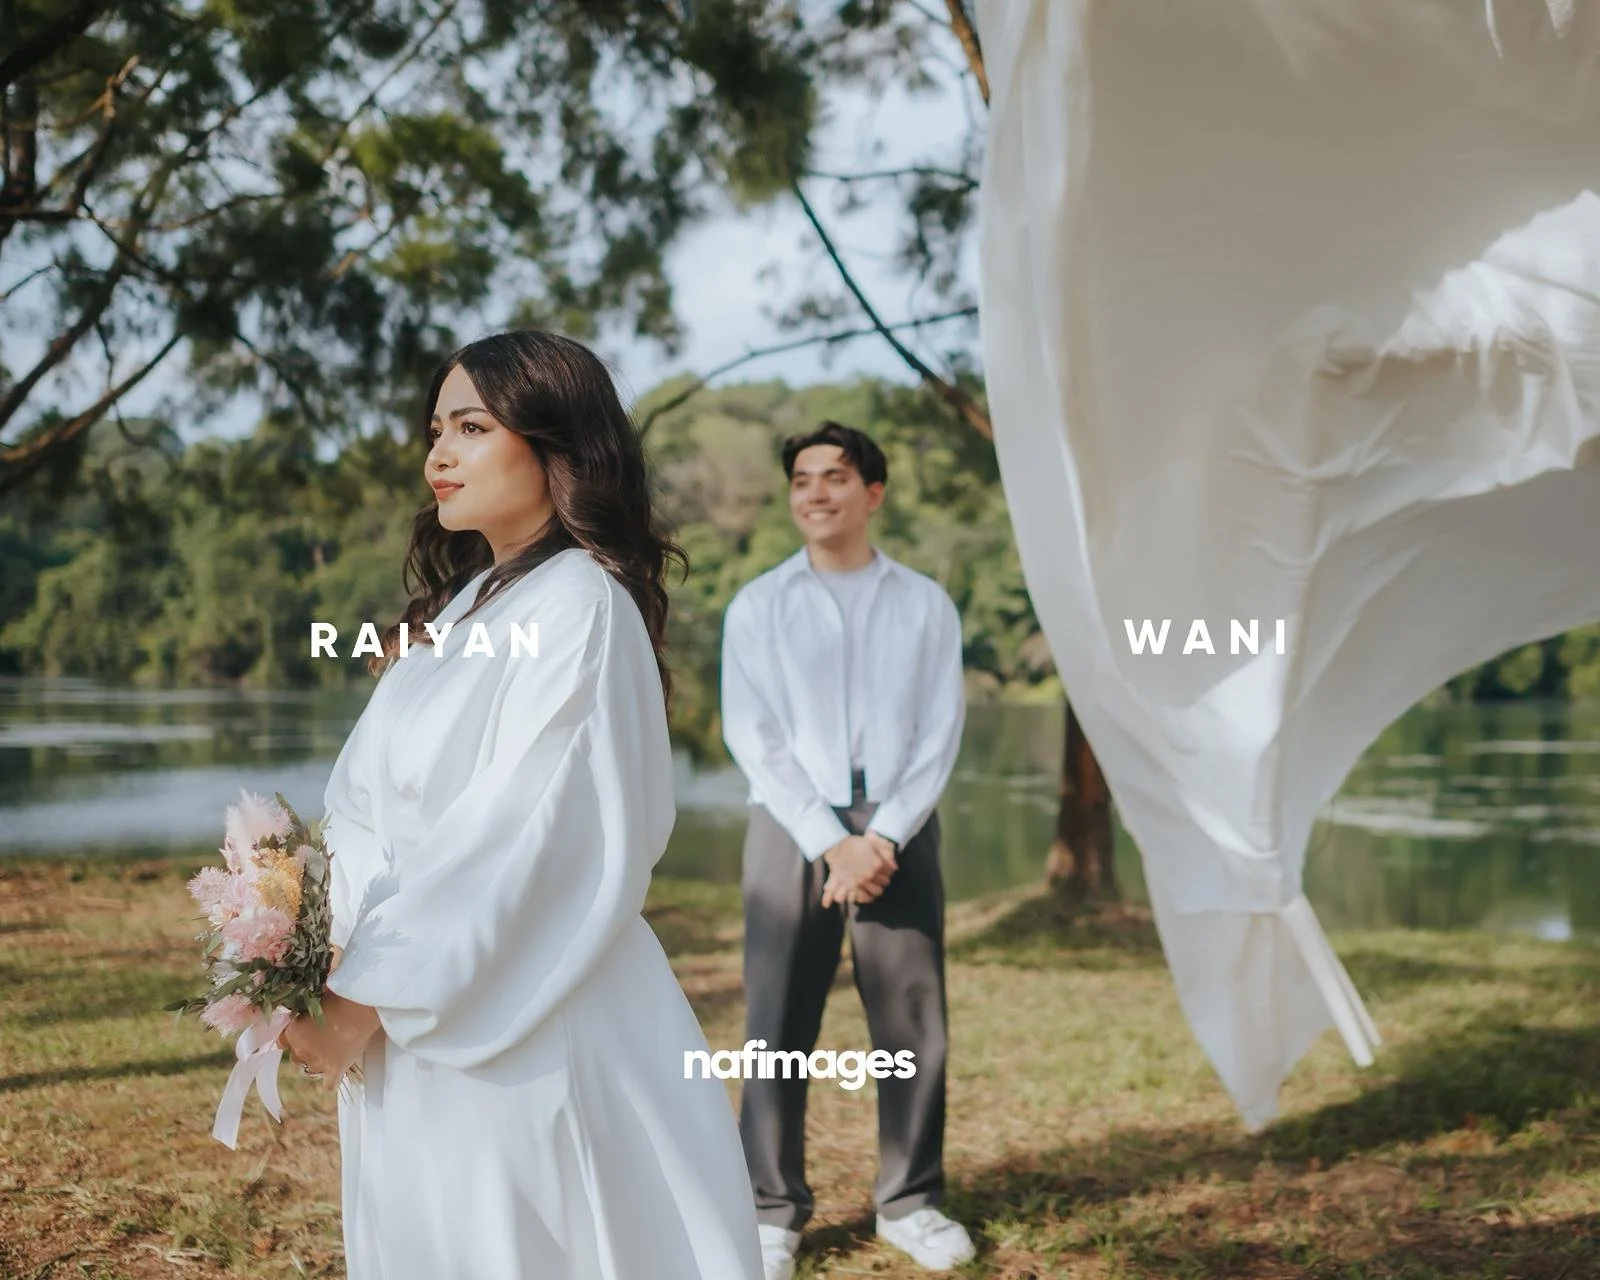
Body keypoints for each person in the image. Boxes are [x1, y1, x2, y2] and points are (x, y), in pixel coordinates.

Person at [279, 330, 764, 1279]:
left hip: (518, 1006)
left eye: (471, 426)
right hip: (409, 991)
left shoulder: (581, 607)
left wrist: (363, 995)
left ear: (557, 446)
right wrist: (322, 940)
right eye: (434, 430)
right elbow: (373, 799)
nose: (437, 456)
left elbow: (519, 832)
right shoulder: (467, 607)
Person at [720, 422, 975, 1277]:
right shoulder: (759, 605)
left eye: (835, 477)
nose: (816, 493)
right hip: (792, 825)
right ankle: (770, 1211)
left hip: (897, 827)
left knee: (910, 1018)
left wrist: (882, 837)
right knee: (776, 1020)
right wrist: (831, 841)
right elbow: (751, 735)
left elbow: (941, 732)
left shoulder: (926, 603)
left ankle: (911, 1200)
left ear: (873, 493)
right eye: (802, 480)